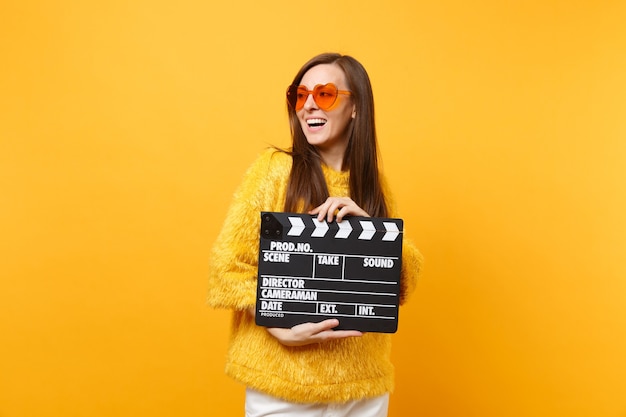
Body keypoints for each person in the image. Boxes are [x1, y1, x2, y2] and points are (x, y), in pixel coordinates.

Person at [207, 52, 422, 417]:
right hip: (283, 383)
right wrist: (280, 327)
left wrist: (373, 229)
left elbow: (402, 285)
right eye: (300, 95)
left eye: (324, 94)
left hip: (363, 387)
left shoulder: (374, 186)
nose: (308, 106)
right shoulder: (276, 171)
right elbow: (227, 270)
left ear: (355, 107)